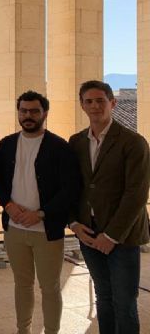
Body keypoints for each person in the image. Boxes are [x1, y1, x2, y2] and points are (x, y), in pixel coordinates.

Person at [0, 90, 80, 334]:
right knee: (22, 284)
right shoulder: (7, 144)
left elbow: (69, 188)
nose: (28, 115)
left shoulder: (60, 147)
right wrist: (8, 205)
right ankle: (24, 330)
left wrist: (40, 214)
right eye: (23, 111)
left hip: (46, 231)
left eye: (34, 111)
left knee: (50, 287)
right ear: (18, 112)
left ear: (45, 113)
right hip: (14, 229)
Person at [68, 80, 150, 334]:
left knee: (124, 302)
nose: (94, 106)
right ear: (82, 105)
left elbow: (136, 193)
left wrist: (111, 235)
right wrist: (74, 224)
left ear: (112, 103)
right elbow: (72, 187)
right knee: (103, 297)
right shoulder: (76, 142)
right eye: (88, 101)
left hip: (122, 236)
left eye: (100, 101)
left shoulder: (133, 142)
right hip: (88, 233)